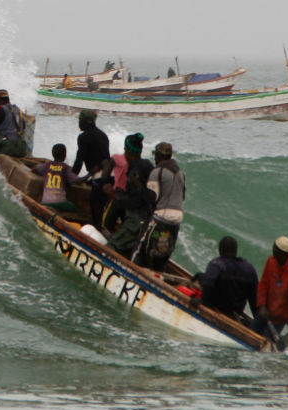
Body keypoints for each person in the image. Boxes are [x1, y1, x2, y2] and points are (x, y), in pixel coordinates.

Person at [252, 236, 288, 350]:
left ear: (283, 254)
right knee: (251, 333)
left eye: (275, 249)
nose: (272, 251)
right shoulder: (271, 261)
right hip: (266, 312)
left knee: (264, 344)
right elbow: (263, 284)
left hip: (281, 318)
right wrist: (262, 305)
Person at [134, 141, 186, 270]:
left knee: (140, 248)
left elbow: (152, 197)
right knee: (163, 252)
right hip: (176, 220)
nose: (155, 159)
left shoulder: (158, 171)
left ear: (159, 156)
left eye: (156, 155)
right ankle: (158, 273)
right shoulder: (180, 173)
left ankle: (133, 270)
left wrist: (138, 185)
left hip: (160, 219)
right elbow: (182, 196)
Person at [98, 133, 154, 239]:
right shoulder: (148, 165)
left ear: (127, 153)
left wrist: (112, 194)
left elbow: (134, 201)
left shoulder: (133, 173)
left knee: (105, 227)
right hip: (147, 217)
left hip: (133, 215)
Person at [192, 236, 258, 323]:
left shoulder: (217, 264)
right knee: (200, 276)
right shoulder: (249, 269)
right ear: (236, 251)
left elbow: (208, 284)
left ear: (220, 250)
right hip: (235, 313)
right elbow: (254, 299)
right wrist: (256, 322)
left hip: (217, 308)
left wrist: (203, 303)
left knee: (199, 277)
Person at [32, 143, 81, 212]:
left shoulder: (47, 166)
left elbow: (34, 169)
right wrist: (90, 174)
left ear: (52, 154)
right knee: (76, 210)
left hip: (46, 201)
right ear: (65, 155)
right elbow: (78, 181)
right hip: (60, 202)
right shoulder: (66, 168)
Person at [72, 109, 109, 180]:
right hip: (107, 175)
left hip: (97, 177)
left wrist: (71, 178)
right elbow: (106, 159)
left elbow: (79, 162)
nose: (79, 123)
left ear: (84, 122)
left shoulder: (83, 137)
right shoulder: (103, 135)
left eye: (80, 120)